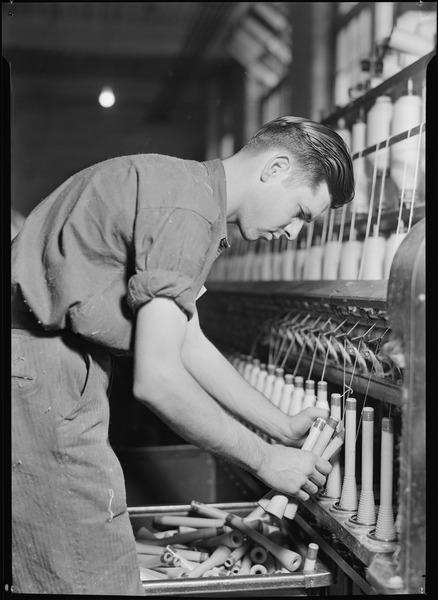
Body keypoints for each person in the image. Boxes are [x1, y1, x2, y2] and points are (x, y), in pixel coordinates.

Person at [11, 115, 354, 594]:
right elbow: (158, 379)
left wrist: (281, 425)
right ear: (275, 168)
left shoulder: (188, 194)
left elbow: (189, 343)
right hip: (39, 374)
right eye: (300, 212)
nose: (294, 232)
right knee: (92, 578)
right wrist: (265, 459)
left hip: (48, 371)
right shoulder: (187, 211)